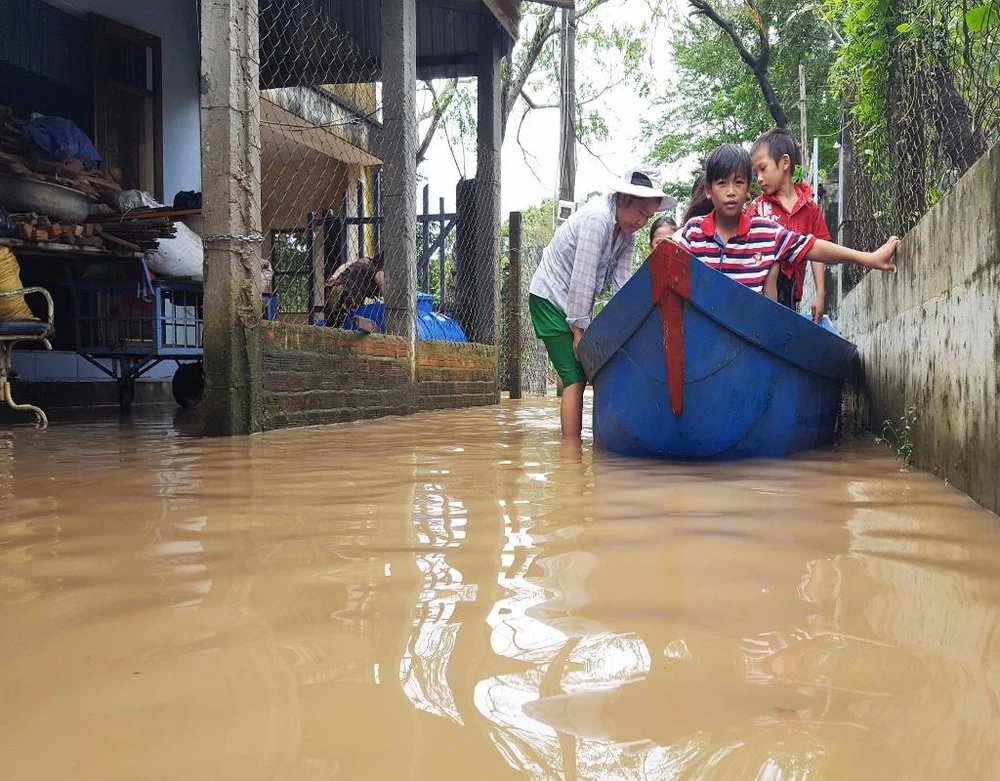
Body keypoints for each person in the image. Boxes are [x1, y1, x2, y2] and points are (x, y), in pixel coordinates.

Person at [529, 165, 675, 438]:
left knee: (593, 372)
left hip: (572, 301)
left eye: (649, 217)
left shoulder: (628, 235)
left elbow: (623, 287)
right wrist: (579, 332)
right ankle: (571, 456)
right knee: (575, 378)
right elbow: (582, 280)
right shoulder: (597, 219)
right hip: (549, 297)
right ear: (624, 199)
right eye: (641, 214)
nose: (642, 223)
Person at [672, 144, 897, 296]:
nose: (731, 191)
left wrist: (869, 258)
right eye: (722, 183)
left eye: (738, 182)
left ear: (749, 189)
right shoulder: (692, 233)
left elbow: (813, 246)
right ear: (709, 190)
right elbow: (663, 259)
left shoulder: (766, 233)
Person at [748, 127, 832, 322]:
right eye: (755, 173)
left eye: (763, 168)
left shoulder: (810, 209)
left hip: (793, 292)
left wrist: (820, 295)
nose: (759, 178)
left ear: (785, 162)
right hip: (760, 291)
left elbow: (817, 253)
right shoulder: (758, 207)